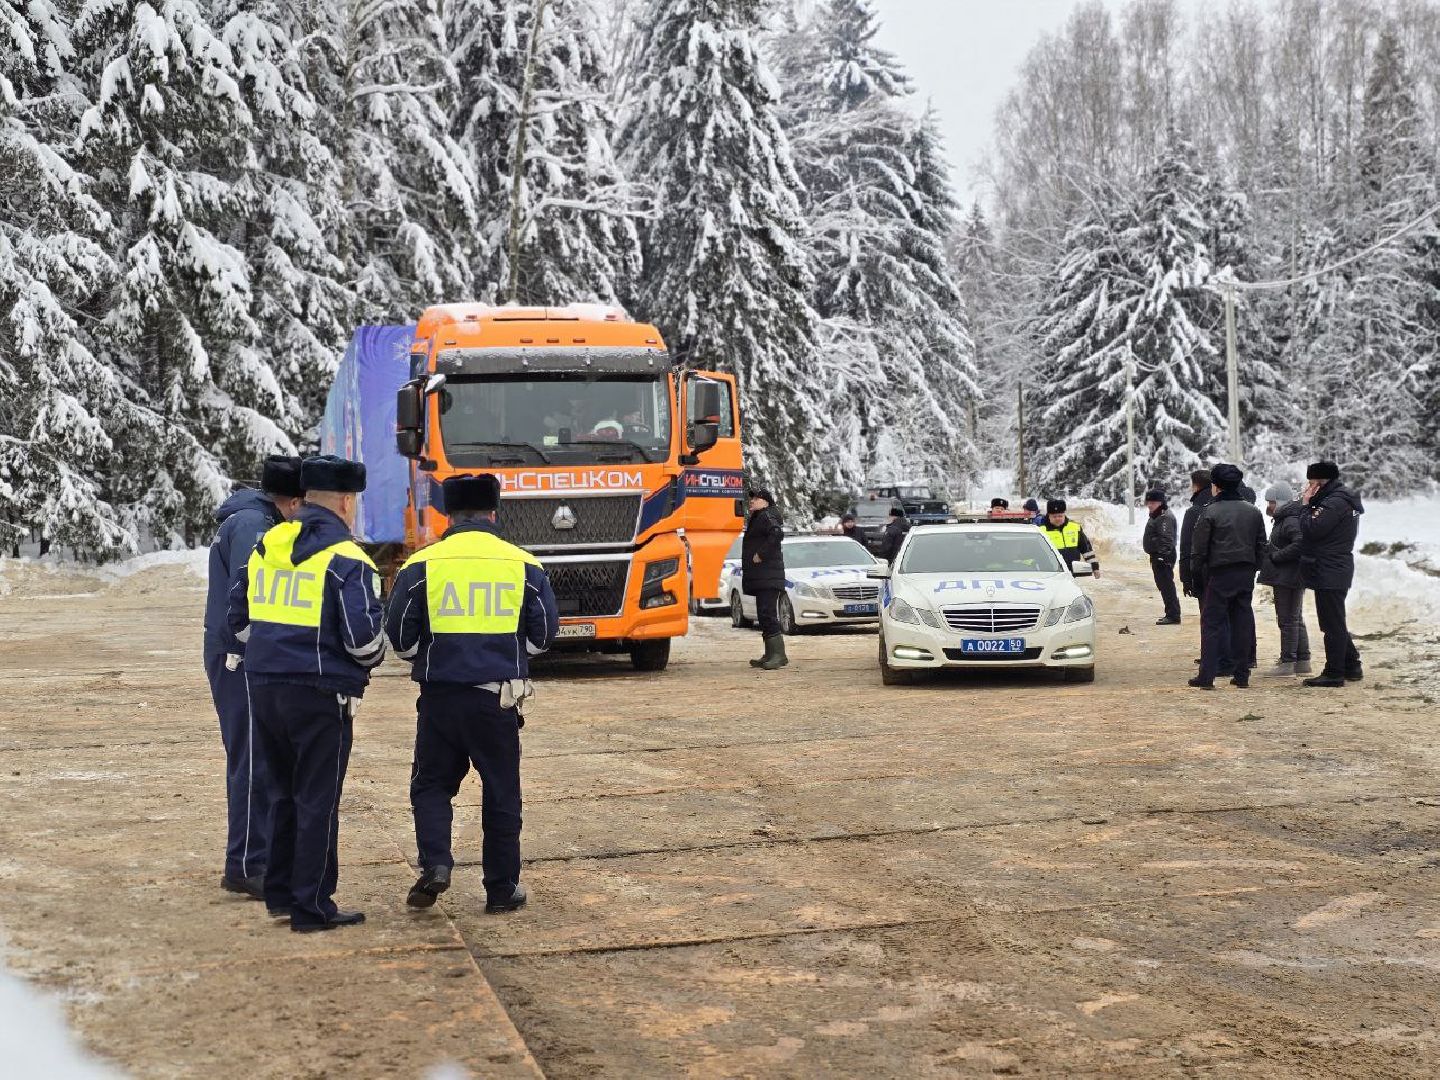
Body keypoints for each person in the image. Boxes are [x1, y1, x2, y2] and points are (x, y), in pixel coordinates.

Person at [386, 474, 559, 913]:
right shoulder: (524, 564)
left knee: (430, 786)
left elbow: (401, 639)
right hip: (496, 700)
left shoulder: (421, 565)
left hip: (440, 699)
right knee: (501, 792)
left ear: (448, 513)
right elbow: (542, 638)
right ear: (493, 511)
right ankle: (501, 890)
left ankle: (437, 864)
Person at [228, 455, 386, 932]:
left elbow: (238, 620)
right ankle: (312, 907)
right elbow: (363, 643)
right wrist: (372, 656)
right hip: (320, 694)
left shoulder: (267, 544)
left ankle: (278, 893)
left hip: (264, 685)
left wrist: (274, 651)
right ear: (344, 501)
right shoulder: (349, 558)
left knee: (280, 793)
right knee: (317, 800)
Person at [203, 455, 304, 900]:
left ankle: (259, 857)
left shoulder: (259, 520)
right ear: (294, 500)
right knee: (252, 760)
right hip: (239, 657)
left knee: (262, 758)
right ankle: (245, 864)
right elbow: (247, 596)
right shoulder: (252, 527)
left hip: (248, 655)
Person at [1187, 463, 1266, 690]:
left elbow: (1199, 549)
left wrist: (1196, 574)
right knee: (1241, 622)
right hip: (1245, 573)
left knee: (1212, 623)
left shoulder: (1209, 512)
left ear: (1216, 487)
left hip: (1219, 573)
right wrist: (1254, 567)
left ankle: (1207, 676)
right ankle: (1242, 675)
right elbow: (1261, 544)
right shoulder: (1253, 511)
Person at [1298, 461, 1364, 688]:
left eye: (1311, 482)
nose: (1308, 487)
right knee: (1334, 620)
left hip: (1329, 567)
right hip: (1332, 566)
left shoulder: (1334, 503)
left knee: (1331, 624)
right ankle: (1351, 664)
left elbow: (1311, 529)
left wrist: (1305, 505)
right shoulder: (1337, 499)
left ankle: (1334, 672)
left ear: (1319, 482)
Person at [1257, 482, 1312, 678]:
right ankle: (1303, 661)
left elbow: (1300, 545)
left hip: (1288, 576)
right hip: (1292, 575)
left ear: (1280, 501)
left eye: (1271, 502)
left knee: (1287, 619)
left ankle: (1288, 662)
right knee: (1295, 619)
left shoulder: (1290, 520)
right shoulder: (1287, 518)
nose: (1269, 506)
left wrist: (1275, 556)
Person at [742, 488, 788, 670]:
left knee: (768, 614)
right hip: (763, 577)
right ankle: (770, 653)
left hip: (769, 576)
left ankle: (778, 655)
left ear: (766, 502)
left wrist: (761, 554)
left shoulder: (767, 516)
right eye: (751, 498)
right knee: (763, 614)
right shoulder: (759, 516)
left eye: (756, 498)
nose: (751, 501)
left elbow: (777, 534)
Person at [1142, 488, 1181, 625]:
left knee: (1166, 585)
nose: (1150, 505)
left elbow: (1166, 539)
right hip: (1159, 556)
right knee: (1163, 585)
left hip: (1163, 557)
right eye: (1149, 502)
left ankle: (1173, 615)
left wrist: (1161, 556)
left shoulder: (1164, 517)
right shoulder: (1157, 515)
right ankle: (1171, 613)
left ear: (1161, 502)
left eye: (1153, 502)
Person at [1040, 500, 1100, 575]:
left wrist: (1095, 567)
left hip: (1072, 574)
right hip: (1050, 574)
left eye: (1060, 516)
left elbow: (1086, 550)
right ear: (1048, 516)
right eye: (1054, 516)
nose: (1058, 518)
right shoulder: (1041, 531)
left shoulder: (1075, 527)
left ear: (1064, 514)